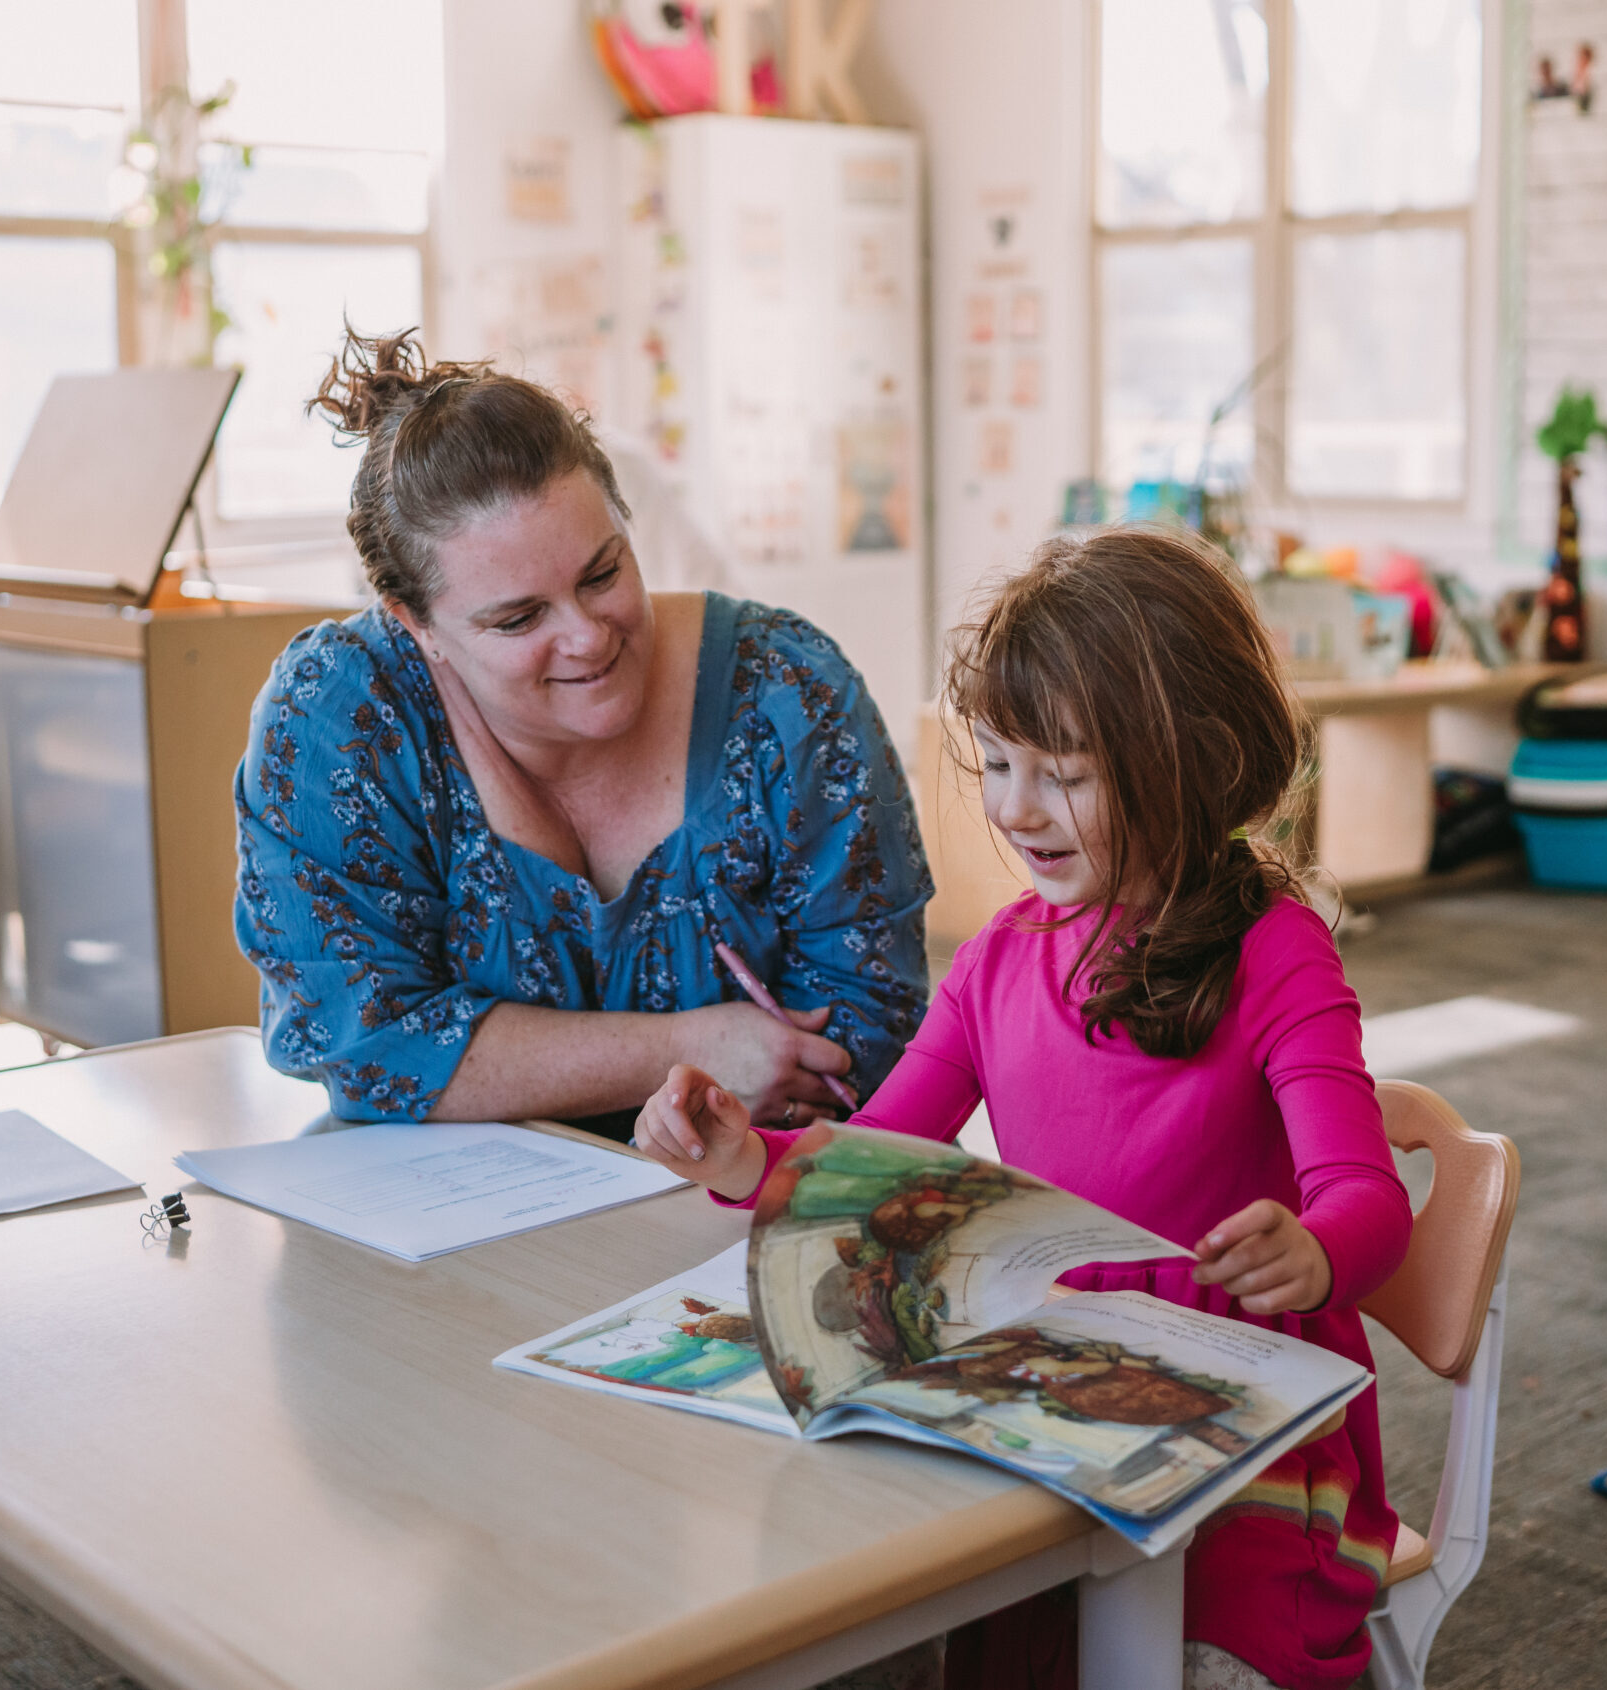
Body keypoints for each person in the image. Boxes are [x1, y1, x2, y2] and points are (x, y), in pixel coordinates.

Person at [634, 526, 1415, 1690]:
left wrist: (1314, 1250)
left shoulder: (1276, 953)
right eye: (997, 762)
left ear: (1188, 759)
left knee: (1195, 1666)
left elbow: (1365, 1196)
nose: (1016, 807)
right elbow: (876, 1163)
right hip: (1053, 1381)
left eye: (1066, 772)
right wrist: (749, 1156)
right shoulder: (997, 961)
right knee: (962, 1611)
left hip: (1252, 1424)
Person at [235, 328, 932, 1137]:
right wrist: (697, 1047)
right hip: (445, 1226)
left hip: (740, 1207)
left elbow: (867, 1041)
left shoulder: (787, 695)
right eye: (520, 617)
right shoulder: (342, 716)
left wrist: (484, 1063)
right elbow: (357, 1043)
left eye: (603, 573)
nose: (589, 637)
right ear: (415, 625)